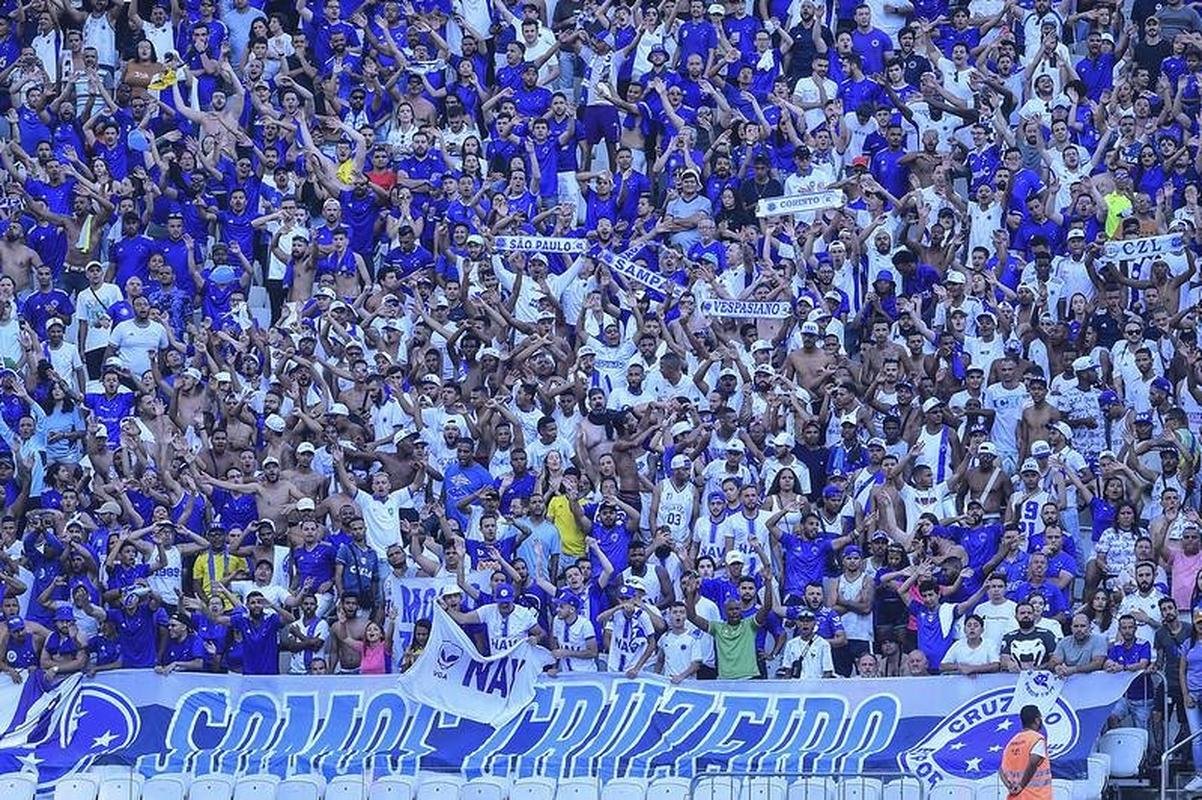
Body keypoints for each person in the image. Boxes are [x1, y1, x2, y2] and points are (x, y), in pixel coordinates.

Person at [999, 705, 1053, 800]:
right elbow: (1033, 762)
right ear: (1037, 720)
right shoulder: (1036, 739)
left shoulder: (1012, 742)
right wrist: (1021, 785)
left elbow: (1001, 770)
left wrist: (1010, 787)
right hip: (1036, 797)